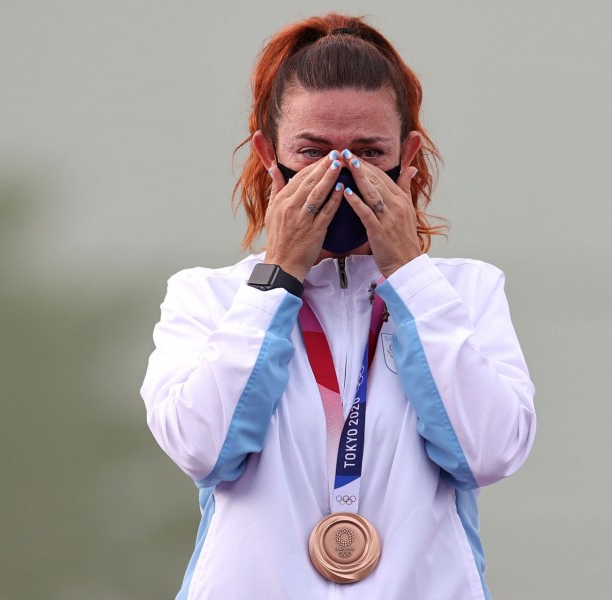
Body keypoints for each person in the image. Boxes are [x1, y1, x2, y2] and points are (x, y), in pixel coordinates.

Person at [141, 13, 536, 600]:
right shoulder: (210, 297)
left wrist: (410, 278)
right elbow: (202, 447)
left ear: (409, 157)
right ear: (269, 154)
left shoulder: (466, 293)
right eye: (314, 151)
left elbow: (489, 451)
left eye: (369, 153)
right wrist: (277, 280)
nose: (341, 174)